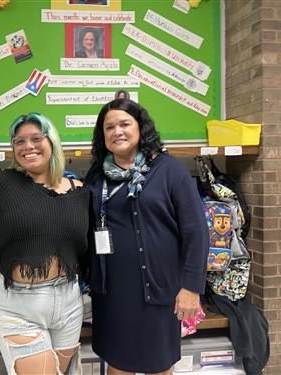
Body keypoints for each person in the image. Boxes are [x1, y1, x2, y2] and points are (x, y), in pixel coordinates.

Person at [85, 96, 208, 375]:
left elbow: (196, 231)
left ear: (140, 128)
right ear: (102, 135)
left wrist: (191, 287)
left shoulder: (168, 170)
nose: (117, 132)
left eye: (125, 124)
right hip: (112, 292)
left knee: (158, 365)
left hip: (158, 290)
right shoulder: (97, 175)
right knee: (117, 364)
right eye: (109, 127)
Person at [0, 113, 90, 375]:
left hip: (69, 303)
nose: (28, 146)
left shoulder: (79, 190)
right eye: (19, 141)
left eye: (36, 138)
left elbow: (86, 247)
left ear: (53, 142)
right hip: (18, 304)